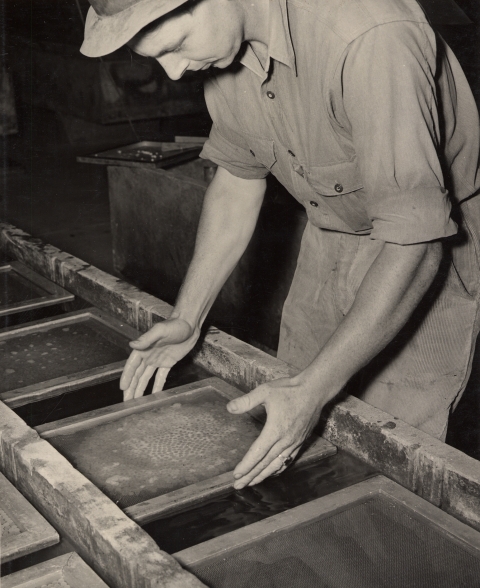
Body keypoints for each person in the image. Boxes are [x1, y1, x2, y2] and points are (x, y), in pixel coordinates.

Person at [81, 0, 480, 490]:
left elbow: (416, 242)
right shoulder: (231, 49)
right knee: (289, 422)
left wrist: (314, 388)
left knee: (386, 464)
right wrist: (187, 316)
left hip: (419, 253)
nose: (175, 70)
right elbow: (237, 178)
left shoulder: (370, 36)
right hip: (329, 234)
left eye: (177, 46)